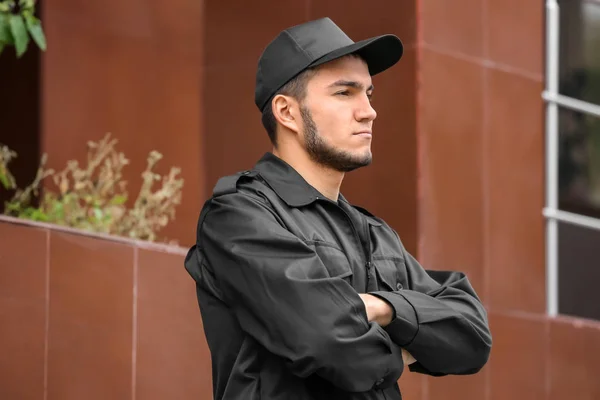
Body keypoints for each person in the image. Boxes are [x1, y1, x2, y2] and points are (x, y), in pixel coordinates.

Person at [185, 17, 492, 400]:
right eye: (345, 93)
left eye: (369, 93)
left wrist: (383, 308)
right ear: (287, 112)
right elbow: (330, 344)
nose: (368, 112)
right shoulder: (239, 215)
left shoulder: (374, 233)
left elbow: (473, 336)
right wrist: (411, 340)